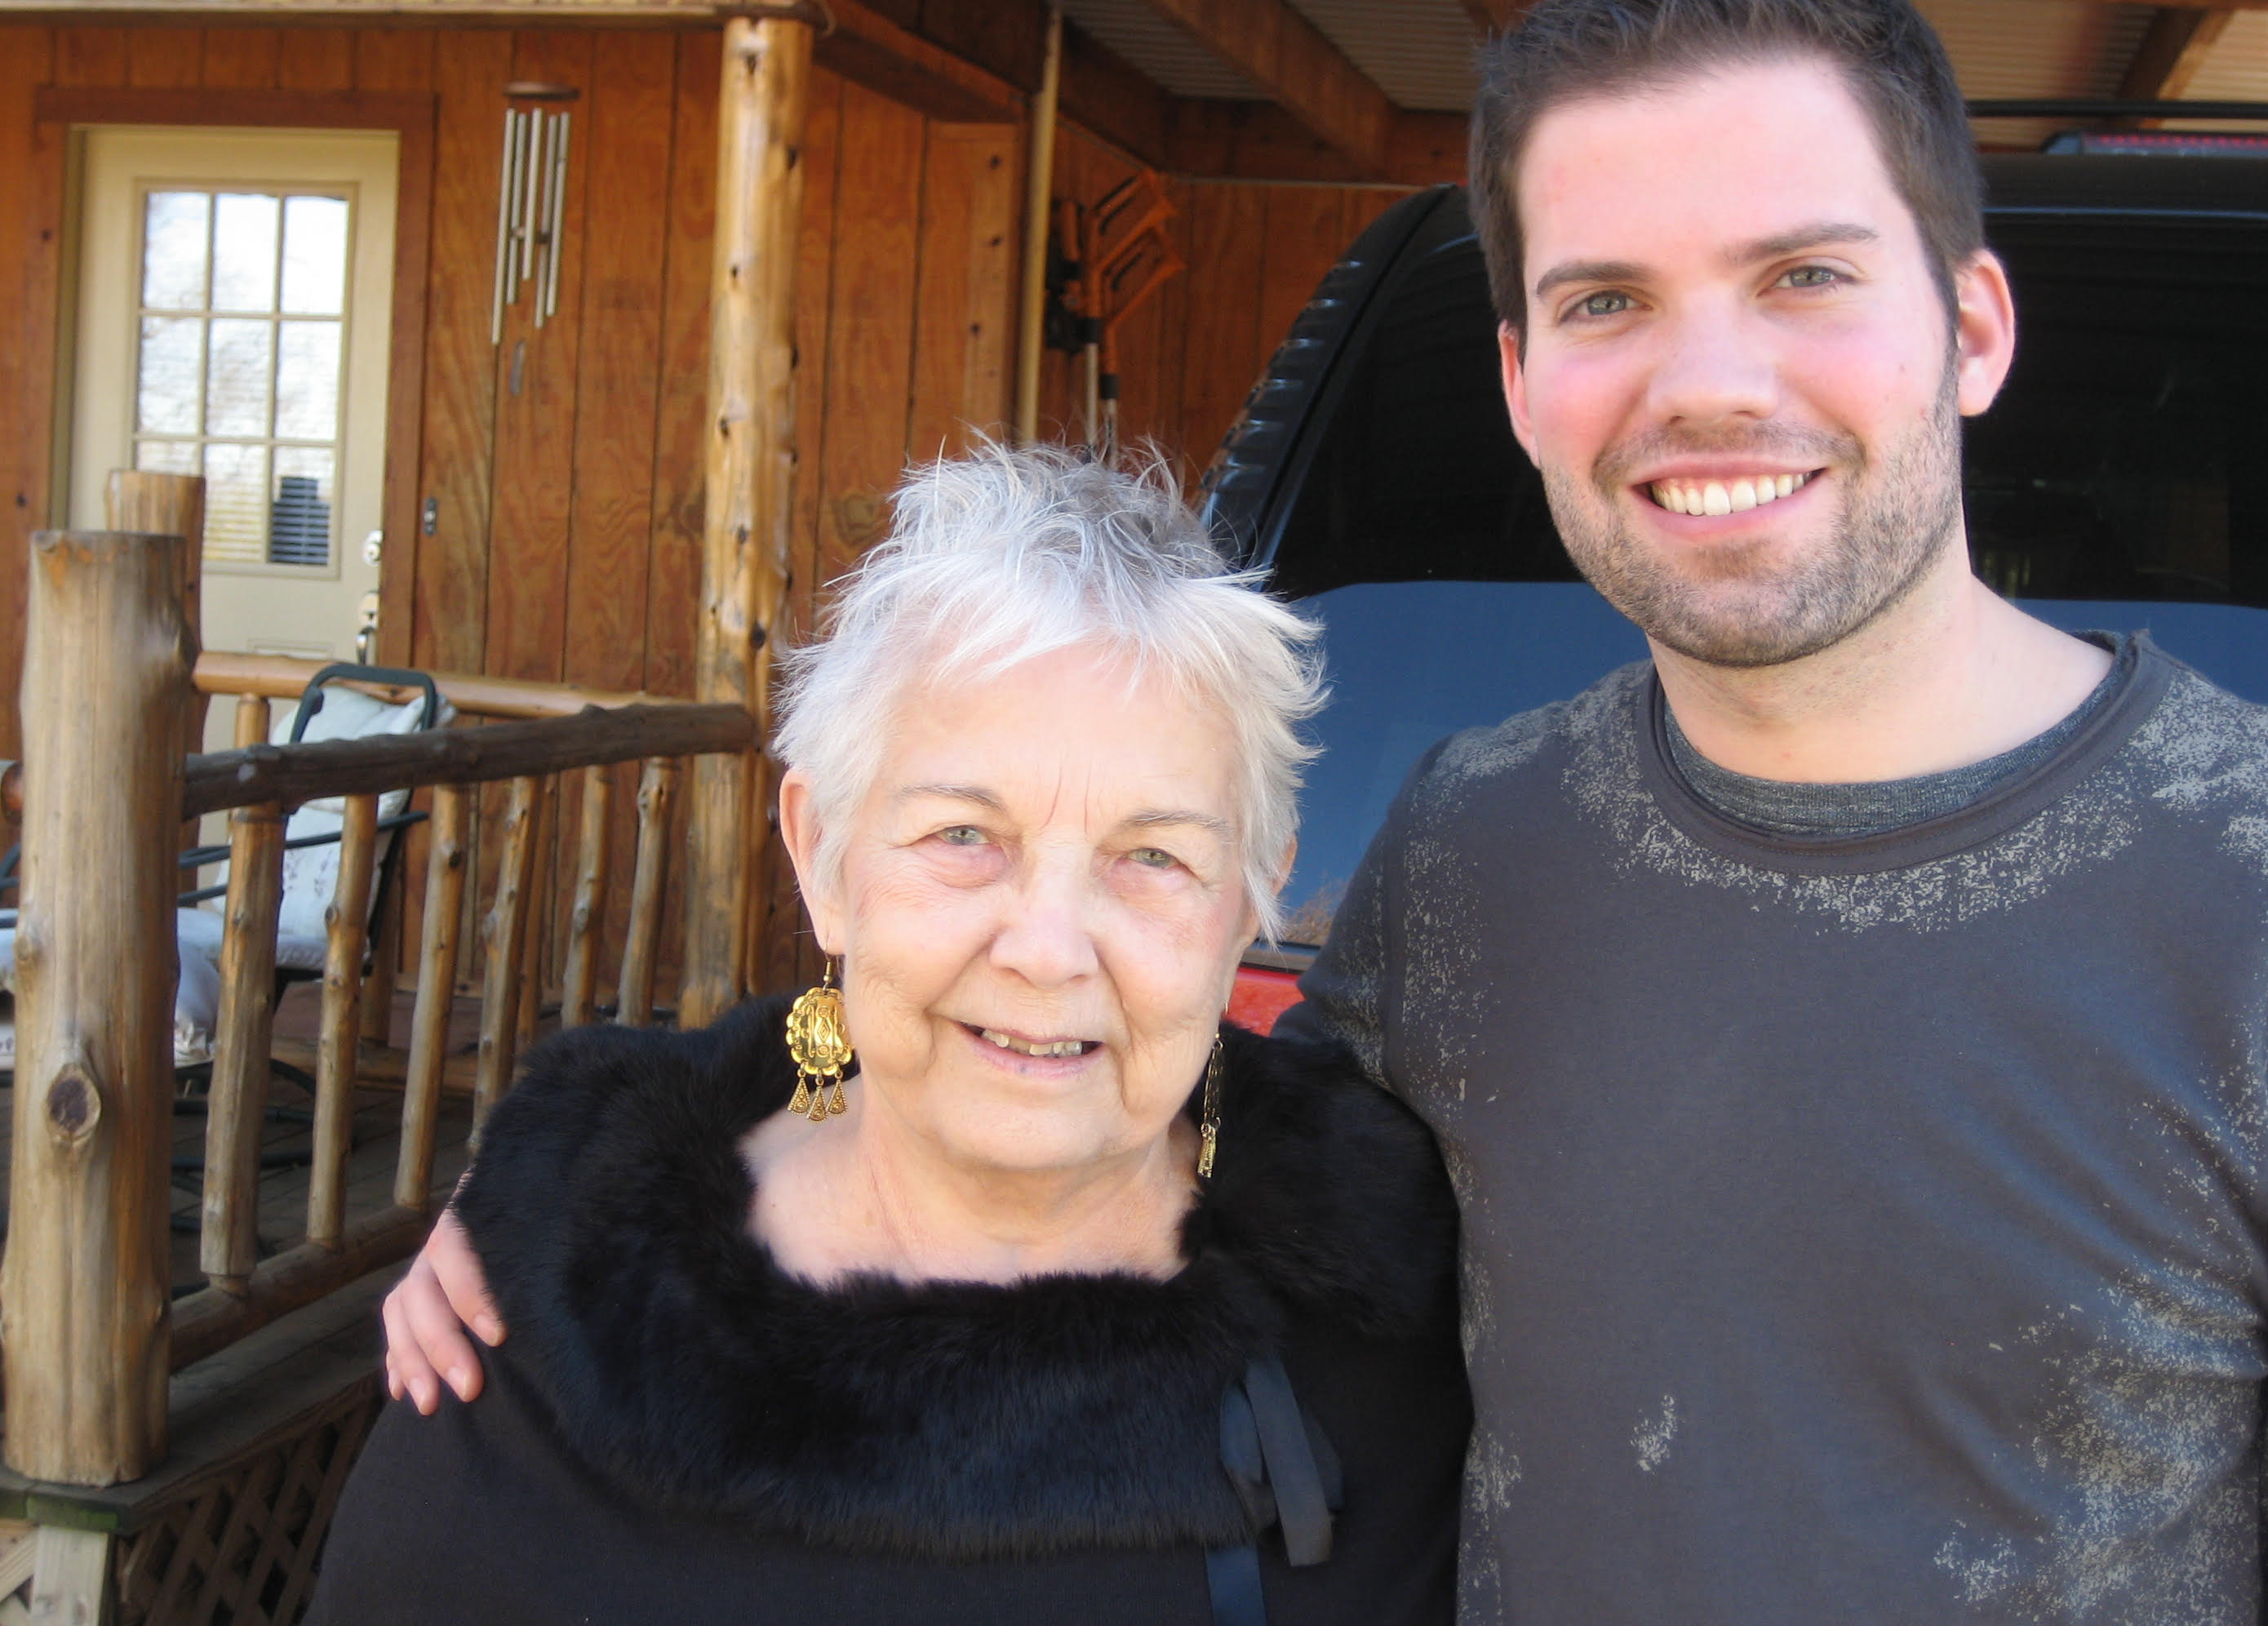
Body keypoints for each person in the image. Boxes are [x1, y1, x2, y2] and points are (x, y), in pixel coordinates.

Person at [383, 0, 2268, 1624]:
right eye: (1610, 299)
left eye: (1803, 273)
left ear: (1968, 328)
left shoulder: (2265, 903)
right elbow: (1093, 1077)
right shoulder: (1475, 847)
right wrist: (590, 1178)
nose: (1708, 382)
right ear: (1526, 379)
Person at [308, 449, 1469, 1626]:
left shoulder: (1425, 1304)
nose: (1050, 948)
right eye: (964, 834)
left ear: (1250, 901)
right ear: (821, 856)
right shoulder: (545, 1309)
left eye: (1154, 856)